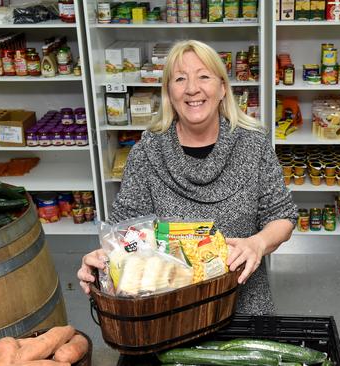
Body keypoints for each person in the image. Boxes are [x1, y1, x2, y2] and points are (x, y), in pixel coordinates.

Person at [77, 40, 297, 315]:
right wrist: (105, 260)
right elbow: (124, 232)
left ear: (222, 88)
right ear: (169, 92)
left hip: (243, 304)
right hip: (167, 313)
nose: (192, 88)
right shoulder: (147, 152)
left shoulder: (254, 145)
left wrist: (258, 243)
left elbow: (282, 216)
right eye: (180, 79)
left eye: (204, 76)